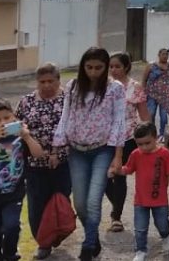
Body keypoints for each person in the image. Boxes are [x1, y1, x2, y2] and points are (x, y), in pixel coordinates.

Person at [54, 46, 127, 261]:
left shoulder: (115, 89)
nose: (93, 72)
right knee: (80, 203)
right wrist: (59, 144)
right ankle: (92, 237)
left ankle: (87, 246)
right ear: (82, 66)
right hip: (76, 150)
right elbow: (65, 115)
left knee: (94, 200)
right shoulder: (73, 86)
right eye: (89, 67)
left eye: (98, 67)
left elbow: (119, 122)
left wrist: (118, 155)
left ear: (105, 68)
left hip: (102, 150)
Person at [17, 63, 71, 261]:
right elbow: (17, 125)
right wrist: (28, 138)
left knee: (61, 201)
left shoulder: (69, 99)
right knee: (36, 206)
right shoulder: (26, 101)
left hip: (63, 163)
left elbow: (73, 128)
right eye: (42, 82)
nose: (47, 85)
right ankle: (43, 243)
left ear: (59, 80)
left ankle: (58, 233)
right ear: (37, 82)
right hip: (34, 166)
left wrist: (58, 152)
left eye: (51, 81)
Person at [0, 98, 45, 261]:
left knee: (11, 226)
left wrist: (27, 137)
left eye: (7, 118)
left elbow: (38, 154)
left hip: (13, 194)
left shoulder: (20, 138)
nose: (3, 123)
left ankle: (10, 253)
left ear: (14, 117)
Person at [119, 121, 169, 261]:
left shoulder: (165, 153)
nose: (144, 147)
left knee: (162, 224)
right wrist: (117, 170)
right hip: (141, 200)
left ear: (156, 138)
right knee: (140, 228)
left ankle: (166, 236)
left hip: (160, 199)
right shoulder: (135, 154)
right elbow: (129, 169)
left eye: (147, 143)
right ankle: (141, 250)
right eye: (140, 144)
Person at [106, 52, 150, 233]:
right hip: (105, 138)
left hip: (127, 138)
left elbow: (144, 114)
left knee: (119, 175)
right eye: (111, 66)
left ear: (126, 67)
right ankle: (116, 207)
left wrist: (150, 134)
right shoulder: (104, 87)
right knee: (103, 177)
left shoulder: (135, 87)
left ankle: (116, 217)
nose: (114, 70)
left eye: (117, 66)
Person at [141, 49, 169, 139]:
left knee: (164, 116)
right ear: (159, 55)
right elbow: (144, 80)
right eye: (163, 54)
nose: (165, 56)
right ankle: (152, 133)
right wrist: (143, 91)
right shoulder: (151, 66)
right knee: (151, 113)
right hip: (151, 94)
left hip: (164, 95)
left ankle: (162, 134)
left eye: (166, 54)